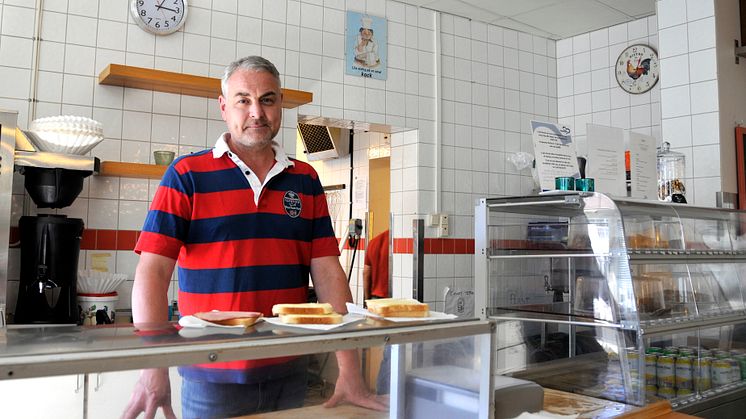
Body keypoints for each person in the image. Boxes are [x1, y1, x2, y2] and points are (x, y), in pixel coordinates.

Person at [122, 56, 386, 419]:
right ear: (223, 106)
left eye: (267, 99)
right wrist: (153, 368)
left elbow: (328, 275)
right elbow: (152, 274)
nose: (256, 112)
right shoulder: (186, 174)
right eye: (243, 99)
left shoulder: (306, 180)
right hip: (209, 375)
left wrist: (350, 370)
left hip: (290, 372)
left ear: (280, 106)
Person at [363, 229, 389, 301]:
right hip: (392, 299)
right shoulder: (396, 242)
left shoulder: (373, 242)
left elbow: (366, 273)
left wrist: (367, 300)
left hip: (375, 298)